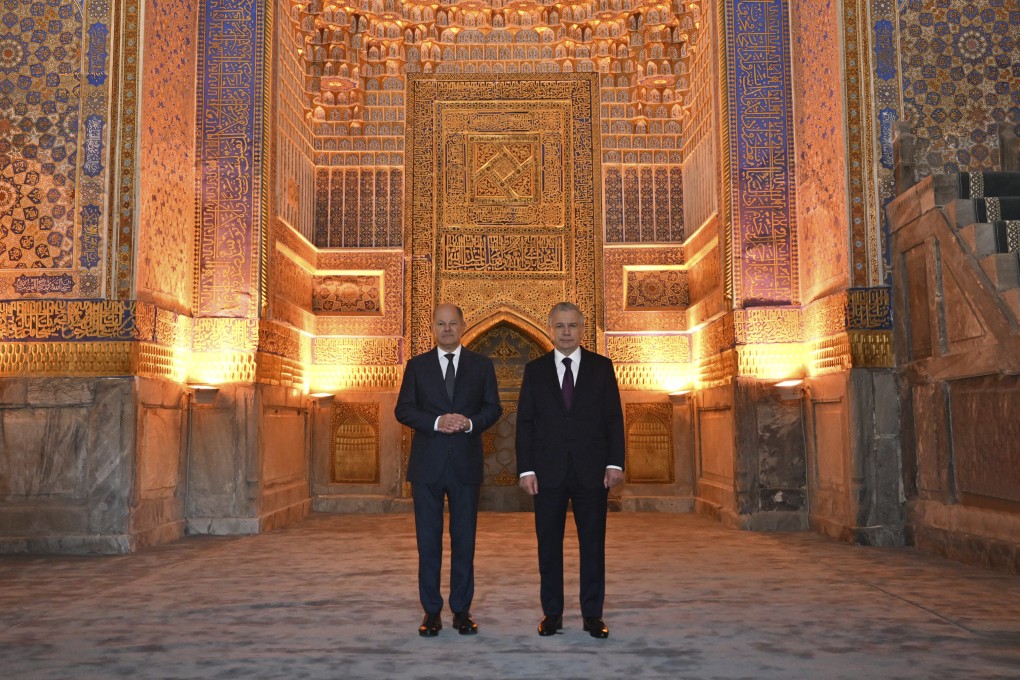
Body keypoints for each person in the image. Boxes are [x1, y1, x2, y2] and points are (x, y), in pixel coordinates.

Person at [515, 301, 625, 639]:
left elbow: (612, 419)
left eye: (572, 326)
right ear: (551, 329)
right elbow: (525, 424)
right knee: (548, 546)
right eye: (560, 326)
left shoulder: (601, 367)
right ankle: (552, 614)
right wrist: (526, 469)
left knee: (593, 545)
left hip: (592, 472)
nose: (566, 332)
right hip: (546, 474)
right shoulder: (534, 370)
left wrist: (614, 463)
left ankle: (593, 616)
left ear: (582, 328)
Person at [395, 303, 502, 637]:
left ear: (463, 325)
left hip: (465, 466)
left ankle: (462, 610)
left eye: (452, 323)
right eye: (440, 324)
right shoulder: (417, 366)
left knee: (464, 541)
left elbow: (493, 408)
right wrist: (437, 422)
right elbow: (404, 410)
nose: (446, 329)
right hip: (427, 467)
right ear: (433, 328)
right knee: (428, 542)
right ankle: (431, 612)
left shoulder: (482, 366)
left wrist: (470, 423)